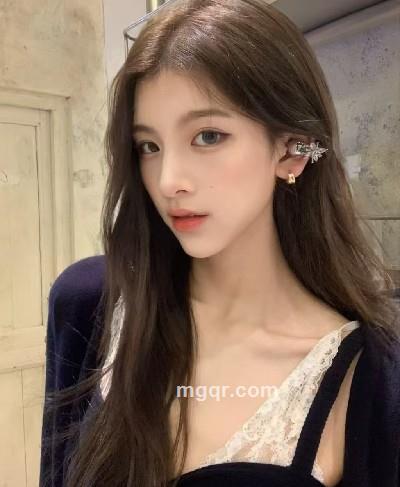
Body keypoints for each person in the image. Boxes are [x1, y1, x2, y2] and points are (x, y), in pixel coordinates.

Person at [39, 0, 400, 486]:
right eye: (149, 146)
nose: (169, 180)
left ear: (292, 152)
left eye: (208, 136)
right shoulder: (89, 304)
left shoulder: (370, 377)